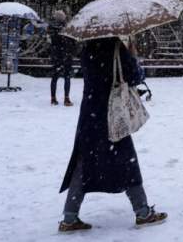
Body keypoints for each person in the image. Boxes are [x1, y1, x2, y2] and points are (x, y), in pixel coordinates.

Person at [58, 36, 166, 232]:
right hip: (113, 115)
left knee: (84, 164)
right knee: (127, 162)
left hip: (90, 115)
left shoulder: (88, 49)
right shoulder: (117, 49)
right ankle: (143, 213)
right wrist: (132, 55)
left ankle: (69, 217)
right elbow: (136, 77)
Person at [48, 10, 74, 106]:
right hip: (66, 55)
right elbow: (72, 42)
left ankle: (53, 98)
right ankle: (66, 98)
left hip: (56, 55)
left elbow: (51, 43)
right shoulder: (67, 28)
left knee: (54, 77)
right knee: (67, 77)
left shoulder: (51, 28)